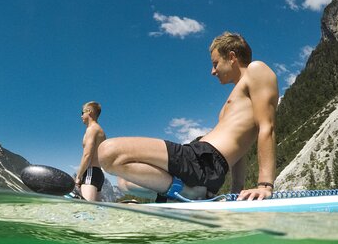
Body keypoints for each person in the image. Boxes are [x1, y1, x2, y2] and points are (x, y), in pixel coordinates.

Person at [98, 32, 278, 201]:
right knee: (125, 183)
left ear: (232, 57)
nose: (212, 71)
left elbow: (266, 127)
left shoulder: (256, 69)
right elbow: (241, 149)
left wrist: (264, 185)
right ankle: (187, 191)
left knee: (108, 152)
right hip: (202, 160)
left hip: (205, 159)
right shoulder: (237, 96)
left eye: (215, 63)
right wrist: (237, 190)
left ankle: (190, 191)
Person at [74, 101, 106, 201]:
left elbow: (87, 155)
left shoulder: (92, 129)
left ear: (89, 112)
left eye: (82, 112)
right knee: (95, 212)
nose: (81, 116)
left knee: (86, 209)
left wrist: (78, 176)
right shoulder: (101, 131)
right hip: (98, 174)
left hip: (90, 172)